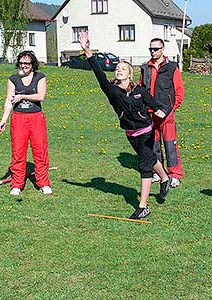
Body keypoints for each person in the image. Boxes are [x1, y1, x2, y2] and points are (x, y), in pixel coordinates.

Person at [78, 31, 170, 219]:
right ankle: (165, 177)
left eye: (123, 69)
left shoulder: (139, 90)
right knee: (150, 159)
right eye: (117, 68)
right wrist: (87, 50)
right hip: (130, 133)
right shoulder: (111, 90)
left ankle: (143, 206)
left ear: (130, 73)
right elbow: (98, 73)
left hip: (146, 131)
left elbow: (154, 104)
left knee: (144, 164)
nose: (118, 70)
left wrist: (160, 111)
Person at [0, 50, 52, 196]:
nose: (23, 66)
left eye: (27, 63)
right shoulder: (13, 79)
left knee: (40, 151)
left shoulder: (40, 77)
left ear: (32, 64)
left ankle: (43, 183)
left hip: (36, 118)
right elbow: (9, 100)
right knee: (18, 152)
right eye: (21, 63)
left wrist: (21, 96)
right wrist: (4, 119)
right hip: (18, 118)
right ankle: (17, 184)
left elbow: (41, 96)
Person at [140, 38, 185, 188]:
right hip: (150, 114)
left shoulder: (172, 68)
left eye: (156, 49)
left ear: (162, 49)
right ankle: (158, 173)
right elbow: (140, 90)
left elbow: (179, 92)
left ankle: (175, 175)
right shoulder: (145, 67)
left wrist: (170, 110)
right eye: (151, 49)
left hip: (166, 115)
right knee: (153, 145)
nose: (153, 52)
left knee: (170, 145)